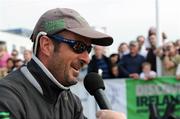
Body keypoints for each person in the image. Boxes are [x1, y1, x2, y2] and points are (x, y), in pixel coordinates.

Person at [0, 8, 126, 119]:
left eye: (88, 49)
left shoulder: (71, 102)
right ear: (46, 45)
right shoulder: (7, 95)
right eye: (79, 46)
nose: (87, 58)